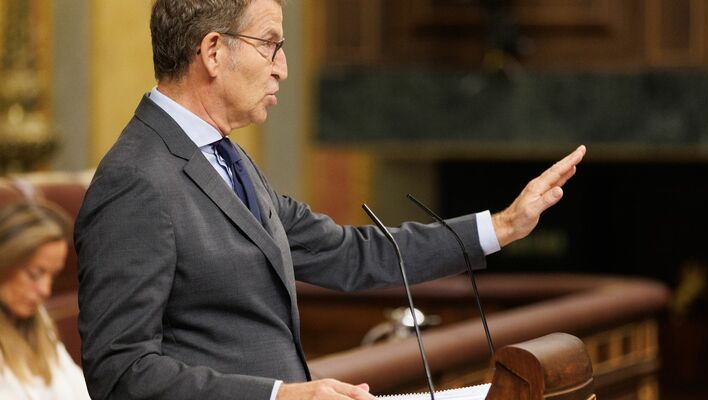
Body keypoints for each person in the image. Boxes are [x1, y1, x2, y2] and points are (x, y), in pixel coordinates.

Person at [74, 0, 587, 399]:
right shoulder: (134, 180)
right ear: (213, 51)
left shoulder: (226, 157)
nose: (282, 68)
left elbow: (349, 253)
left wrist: (502, 226)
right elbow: (120, 372)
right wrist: (279, 395)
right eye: (270, 45)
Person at [0, 201, 91, 400]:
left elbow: (79, 390)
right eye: (34, 274)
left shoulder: (38, 319)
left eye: (53, 276)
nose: (45, 290)